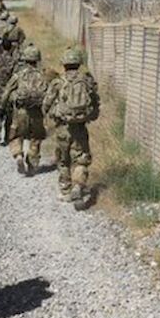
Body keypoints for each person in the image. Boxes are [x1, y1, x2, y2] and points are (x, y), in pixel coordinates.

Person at [44, 47, 101, 209]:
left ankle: (65, 191)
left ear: (64, 64)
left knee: (63, 160)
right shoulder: (86, 81)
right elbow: (96, 102)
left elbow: (47, 103)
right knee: (81, 159)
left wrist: (49, 116)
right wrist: (91, 116)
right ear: (79, 63)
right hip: (80, 128)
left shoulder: (58, 82)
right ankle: (78, 185)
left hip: (62, 128)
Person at [0, 45, 48, 176]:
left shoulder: (18, 76)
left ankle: (18, 155)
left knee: (15, 135)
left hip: (20, 112)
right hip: (37, 113)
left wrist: (2, 107)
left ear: (24, 59)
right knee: (36, 138)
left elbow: (6, 92)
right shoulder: (42, 76)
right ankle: (32, 161)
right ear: (37, 59)